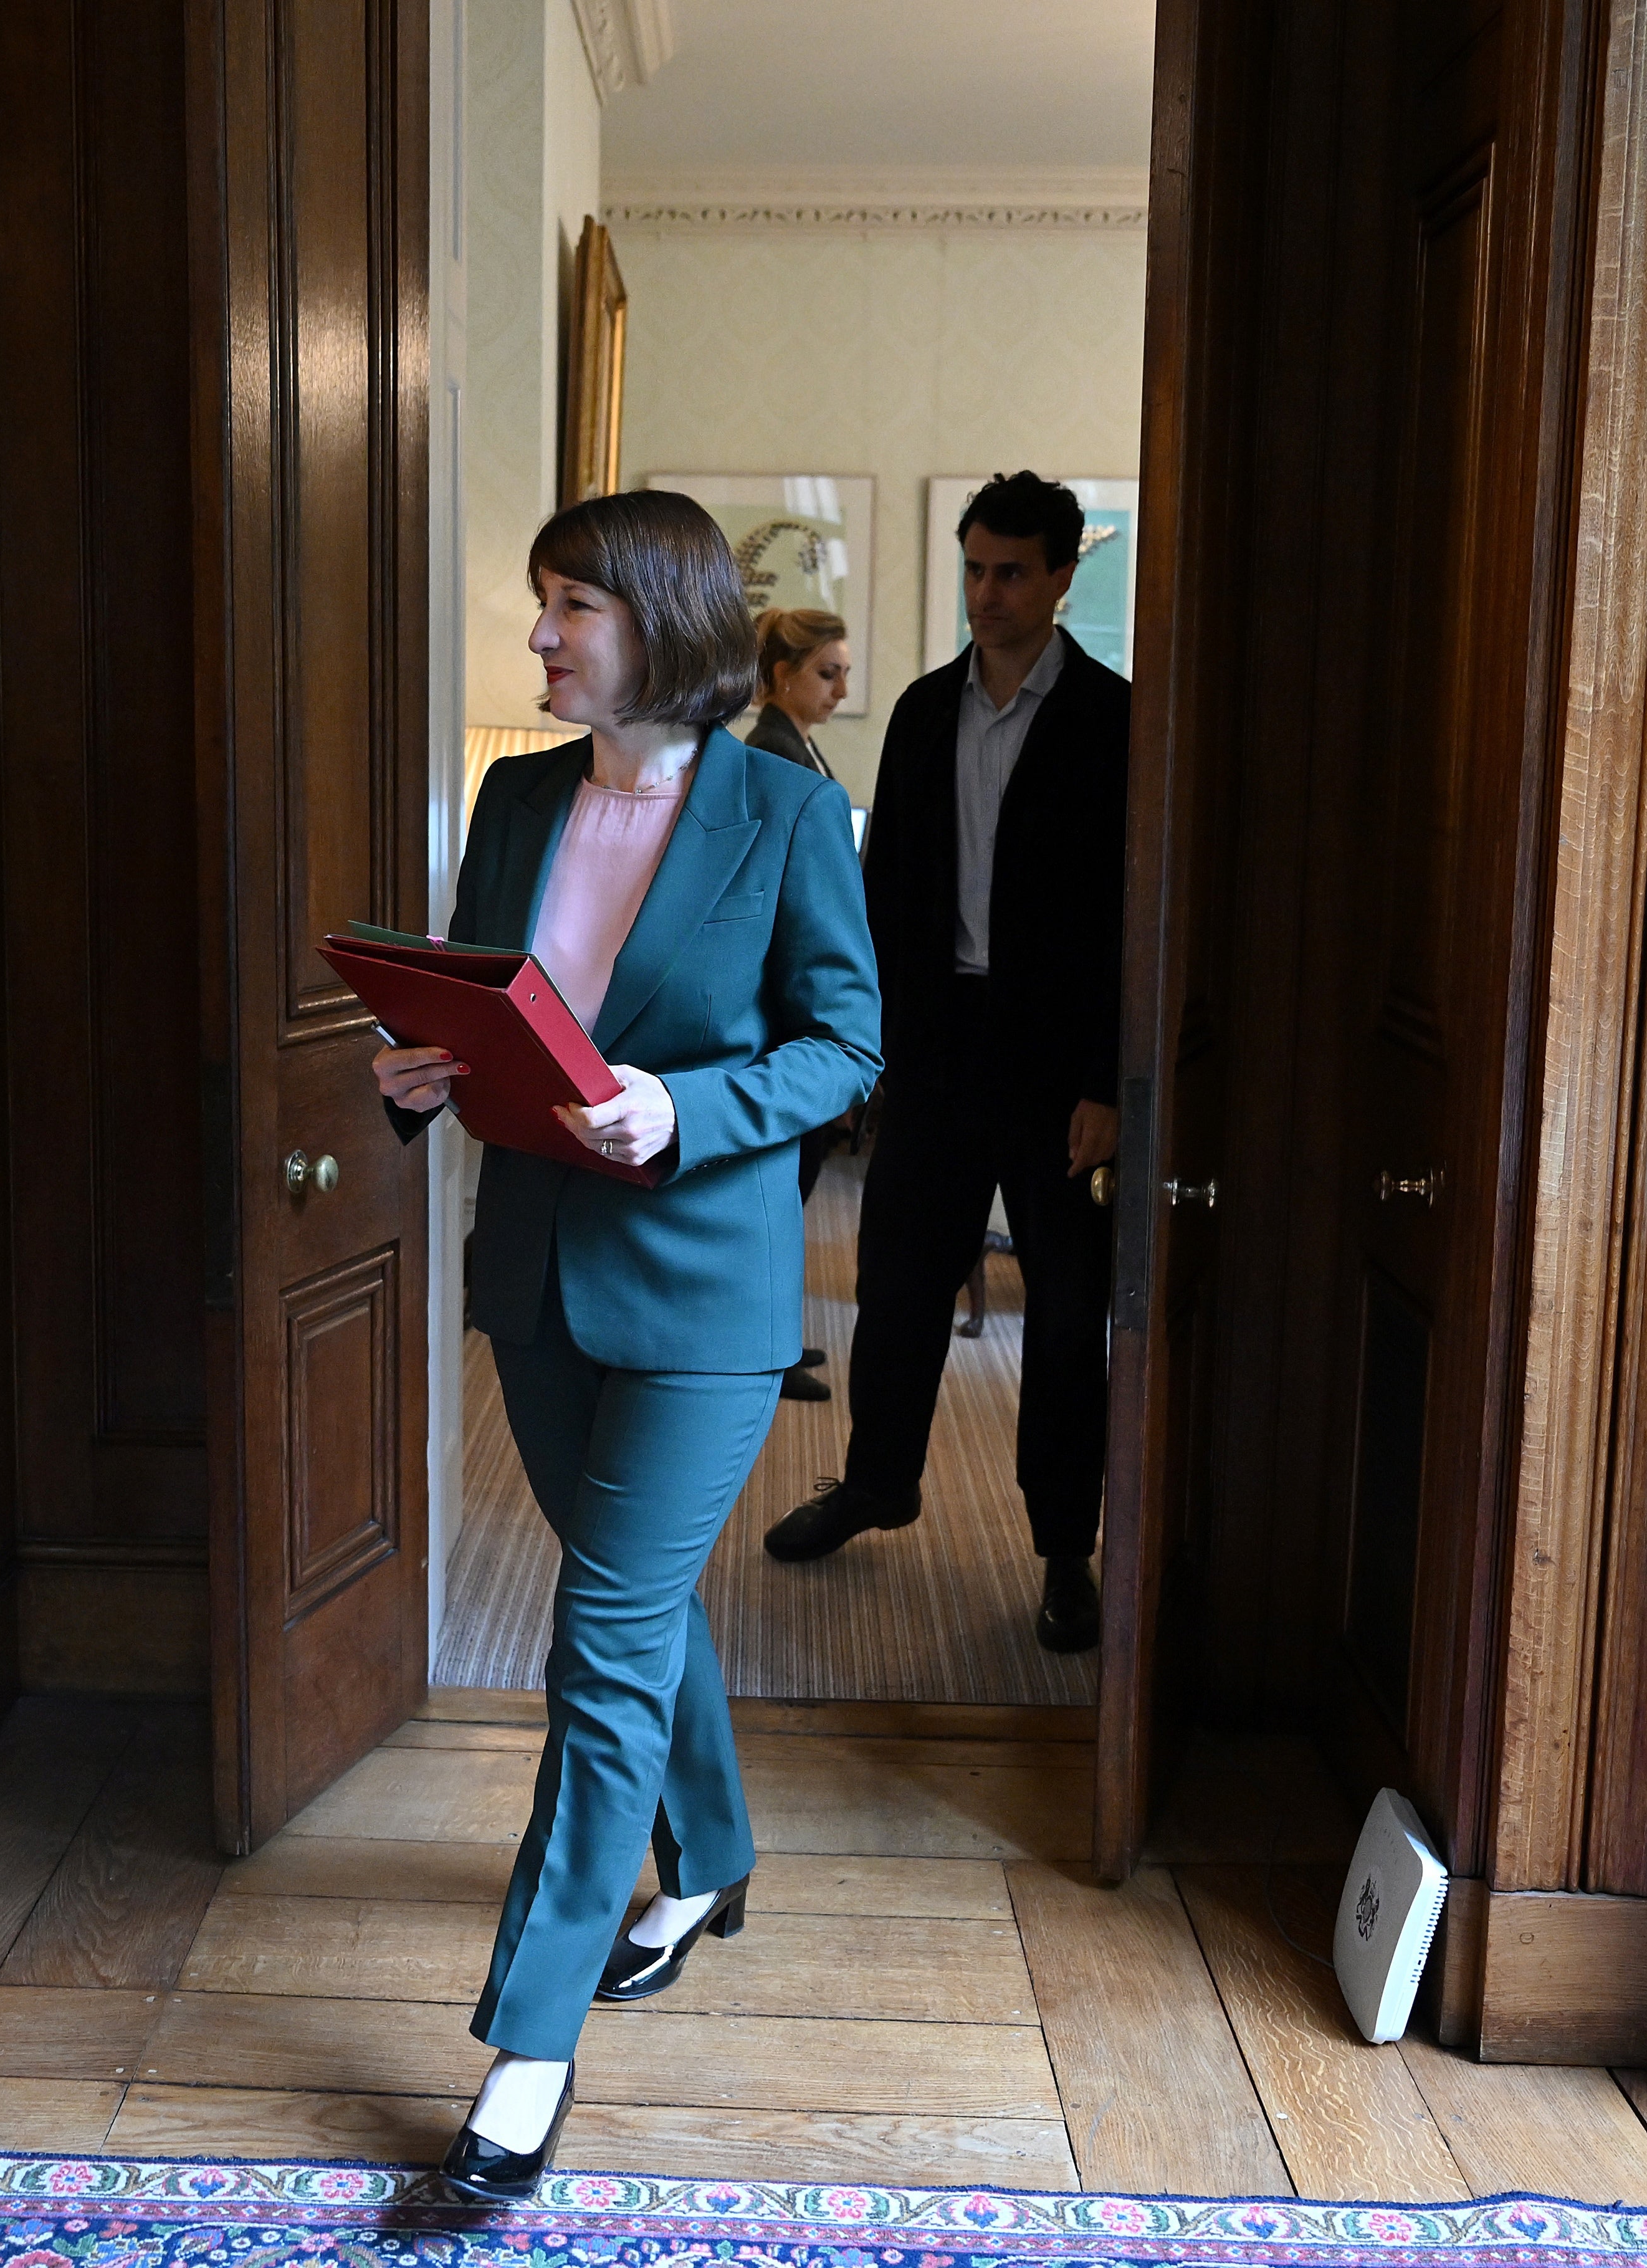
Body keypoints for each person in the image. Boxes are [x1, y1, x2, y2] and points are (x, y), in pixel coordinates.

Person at [372, 490, 882, 2203]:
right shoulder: (518, 797)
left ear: (657, 617)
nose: (540, 635)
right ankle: (713, 1856)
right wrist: (427, 1069)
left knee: (594, 1643)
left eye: (569, 602)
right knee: (633, 1597)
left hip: (702, 1294)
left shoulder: (782, 811)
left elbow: (844, 1047)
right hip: (532, 1268)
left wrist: (686, 1105)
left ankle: (526, 2048)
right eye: (542, 603)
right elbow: (493, 1002)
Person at [760, 471, 1125, 1655]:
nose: (986, 592)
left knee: (1067, 1318)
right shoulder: (921, 712)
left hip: (1060, 1065)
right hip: (934, 1045)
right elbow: (881, 898)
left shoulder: (1118, 722)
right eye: (973, 567)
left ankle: (1066, 1547)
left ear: (1063, 576)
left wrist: (1113, 1084)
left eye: (1010, 570)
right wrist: (863, 1044)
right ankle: (878, 1480)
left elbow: (1135, 916)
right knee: (898, 1284)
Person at [742, 607, 855, 1400]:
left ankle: (774, 1338)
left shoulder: (801, 748)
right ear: (781, 677)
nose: (842, 688)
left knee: (794, 1181)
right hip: (781, 1013)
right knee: (776, 1189)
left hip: (801, 1003)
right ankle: (761, 1349)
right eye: (827, 671)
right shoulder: (767, 755)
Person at [743, 606, 849, 779]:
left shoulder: (796, 741)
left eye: (846, 674)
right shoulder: (774, 748)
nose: (842, 691)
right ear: (784, 674)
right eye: (828, 674)